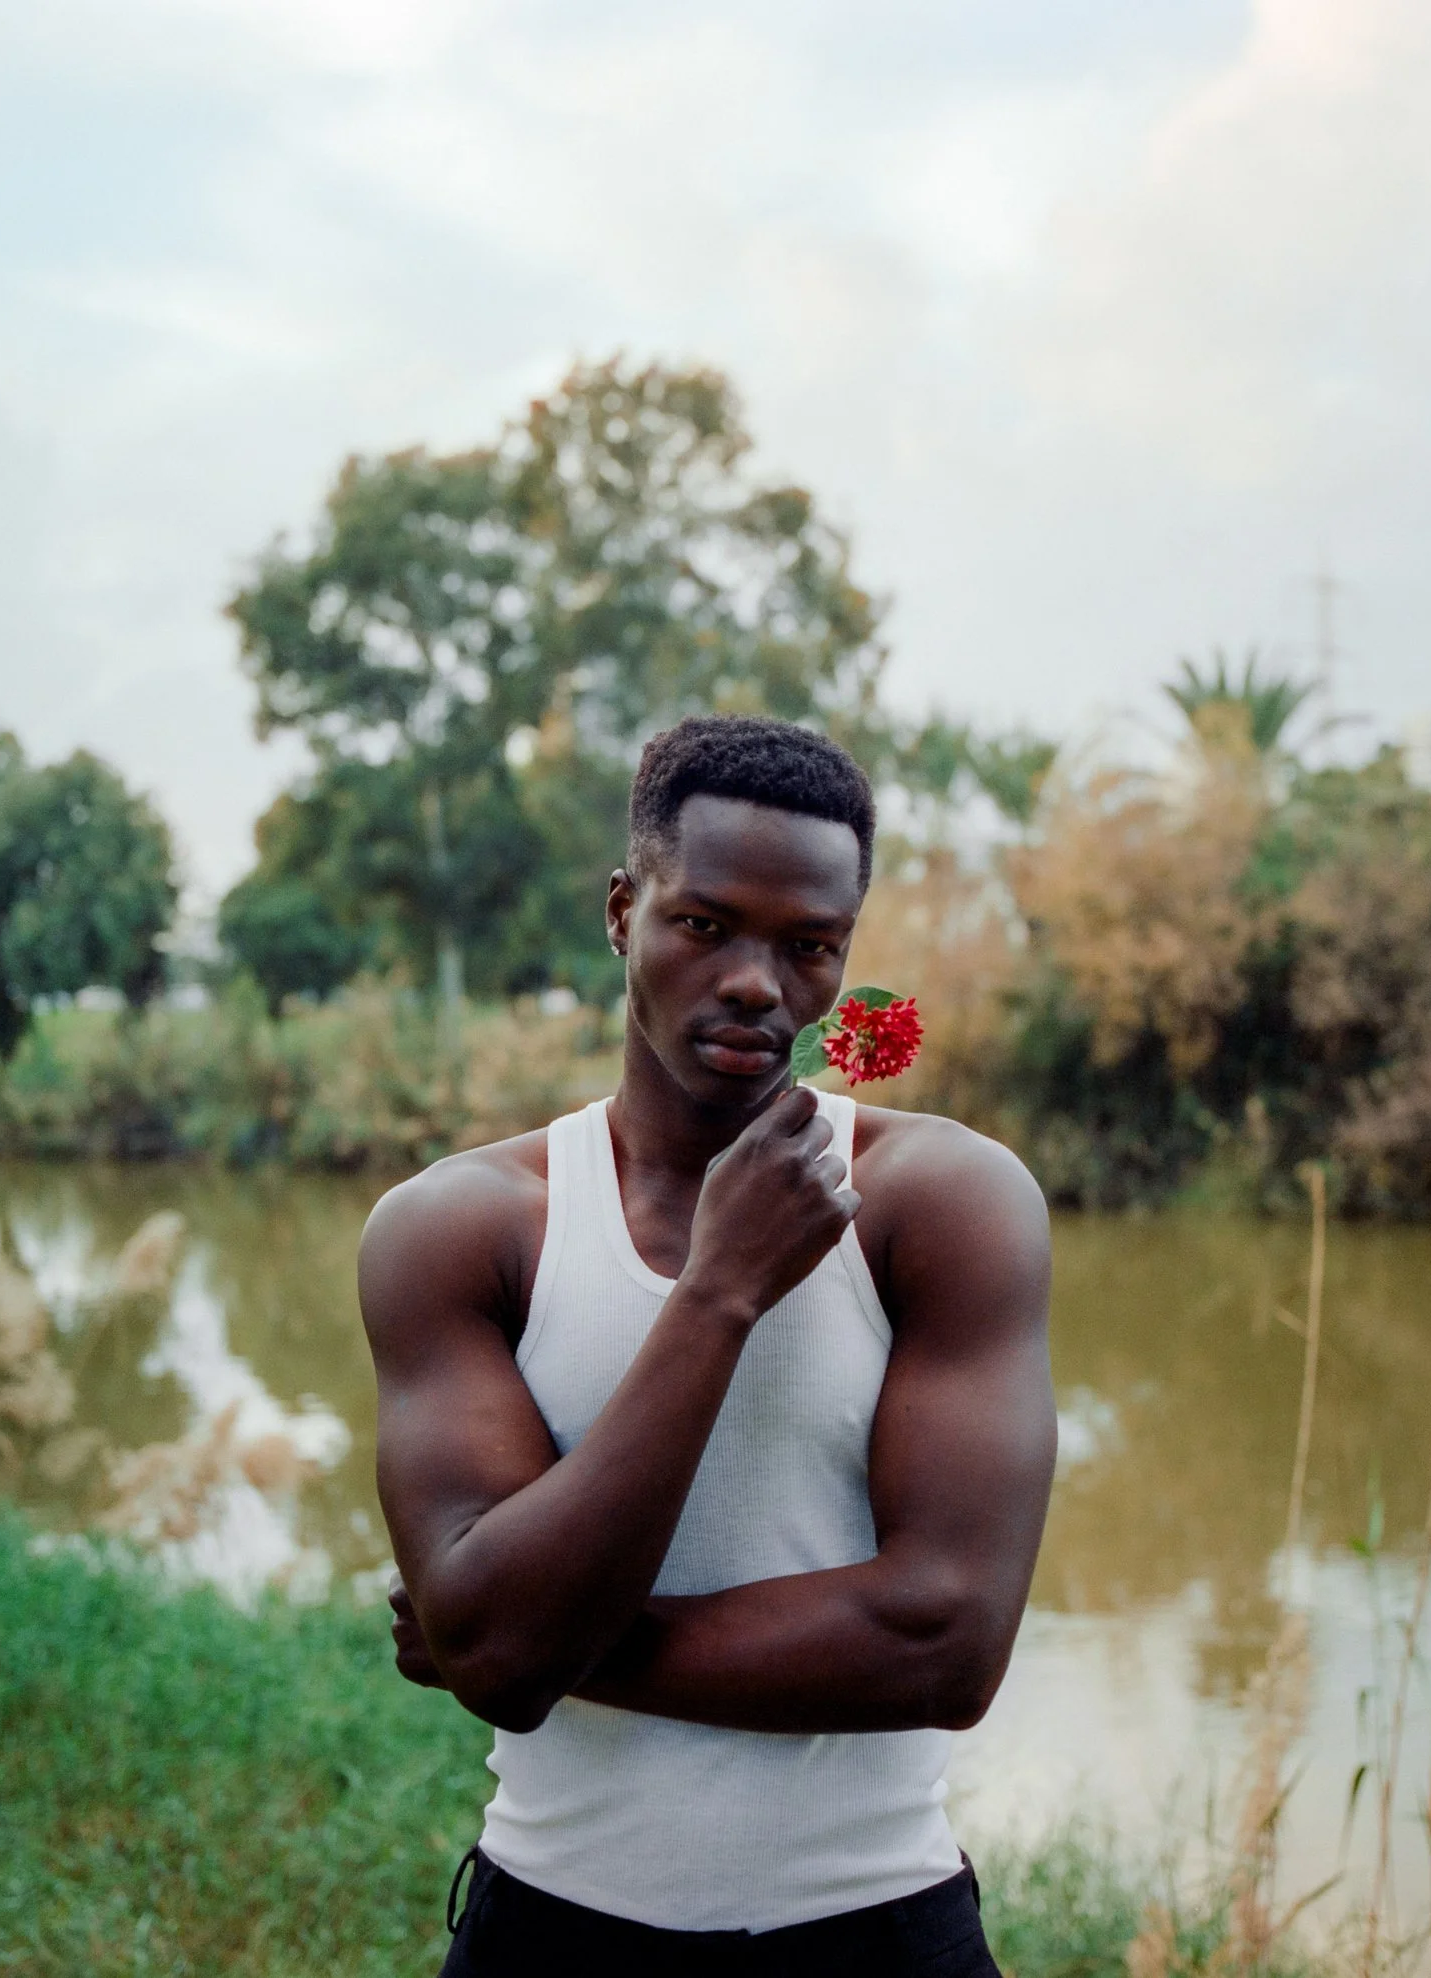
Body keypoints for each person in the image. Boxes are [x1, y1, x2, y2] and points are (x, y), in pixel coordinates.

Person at [361, 714, 1055, 1976]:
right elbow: (499, 1649)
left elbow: (944, 1642)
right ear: (623, 911)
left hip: (875, 1930)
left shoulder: (943, 1201)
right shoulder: (463, 1229)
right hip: (551, 1930)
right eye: (704, 923)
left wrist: (540, 1637)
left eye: (809, 946)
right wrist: (720, 1290)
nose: (755, 982)